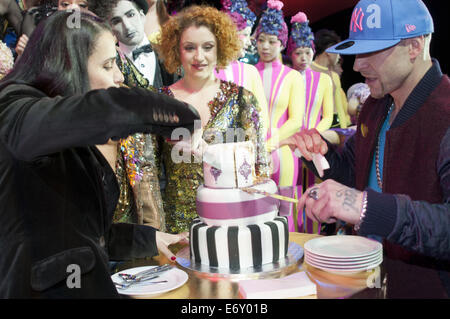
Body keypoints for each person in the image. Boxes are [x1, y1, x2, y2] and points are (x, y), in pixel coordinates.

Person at [0, 11, 199, 298]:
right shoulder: (14, 109)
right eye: (108, 65)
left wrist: (147, 238)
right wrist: (185, 119)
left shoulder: (61, 128)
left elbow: (77, 232)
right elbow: (107, 108)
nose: (118, 76)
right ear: (69, 66)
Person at [287, 0, 450, 298]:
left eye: (371, 52)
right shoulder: (376, 107)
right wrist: (320, 157)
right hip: (365, 283)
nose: (358, 65)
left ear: (414, 46)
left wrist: (363, 207)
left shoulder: (445, 113)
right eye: (357, 52)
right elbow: (355, 175)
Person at [157, 5, 271, 233]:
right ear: (176, 50)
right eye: (189, 48)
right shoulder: (159, 103)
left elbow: (260, 169)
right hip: (177, 229)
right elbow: (148, 174)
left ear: (220, 48)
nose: (199, 56)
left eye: (207, 47)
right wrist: (155, 231)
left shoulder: (242, 100)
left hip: (231, 223)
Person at [286, 11, 333, 233]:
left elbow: (328, 115)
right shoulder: (285, 78)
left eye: (307, 52)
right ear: (290, 54)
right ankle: (293, 236)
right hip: (291, 145)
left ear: (313, 52)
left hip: (314, 143)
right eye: (298, 52)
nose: (303, 57)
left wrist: (313, 134)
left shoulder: (324, 79)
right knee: (291, 190)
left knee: (315, 189)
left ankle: (313, 236)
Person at [254, 0, 304, 193]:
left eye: (272, 41)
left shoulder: (292, 76)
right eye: (261, 40)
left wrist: (267, 146)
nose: (265, 46)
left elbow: (296, 121)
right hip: (253, 153)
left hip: (283, 151)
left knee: (285, 214)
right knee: (255, 211)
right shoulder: (249, 73)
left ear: (282, 44)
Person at [215, 0, 269, 133]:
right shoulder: (207, 70)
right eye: (245, 34)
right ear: (230, 34)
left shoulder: (250, 71)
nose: (249, 40)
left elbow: (262, 117)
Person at [311, 29, 350, 129]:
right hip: (315, 125)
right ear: (329, 51)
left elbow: (339, 107)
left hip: (336, 126)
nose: (339, 56)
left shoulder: (334, 76)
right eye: (337, 52)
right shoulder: (307, 70)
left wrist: (344, 130)